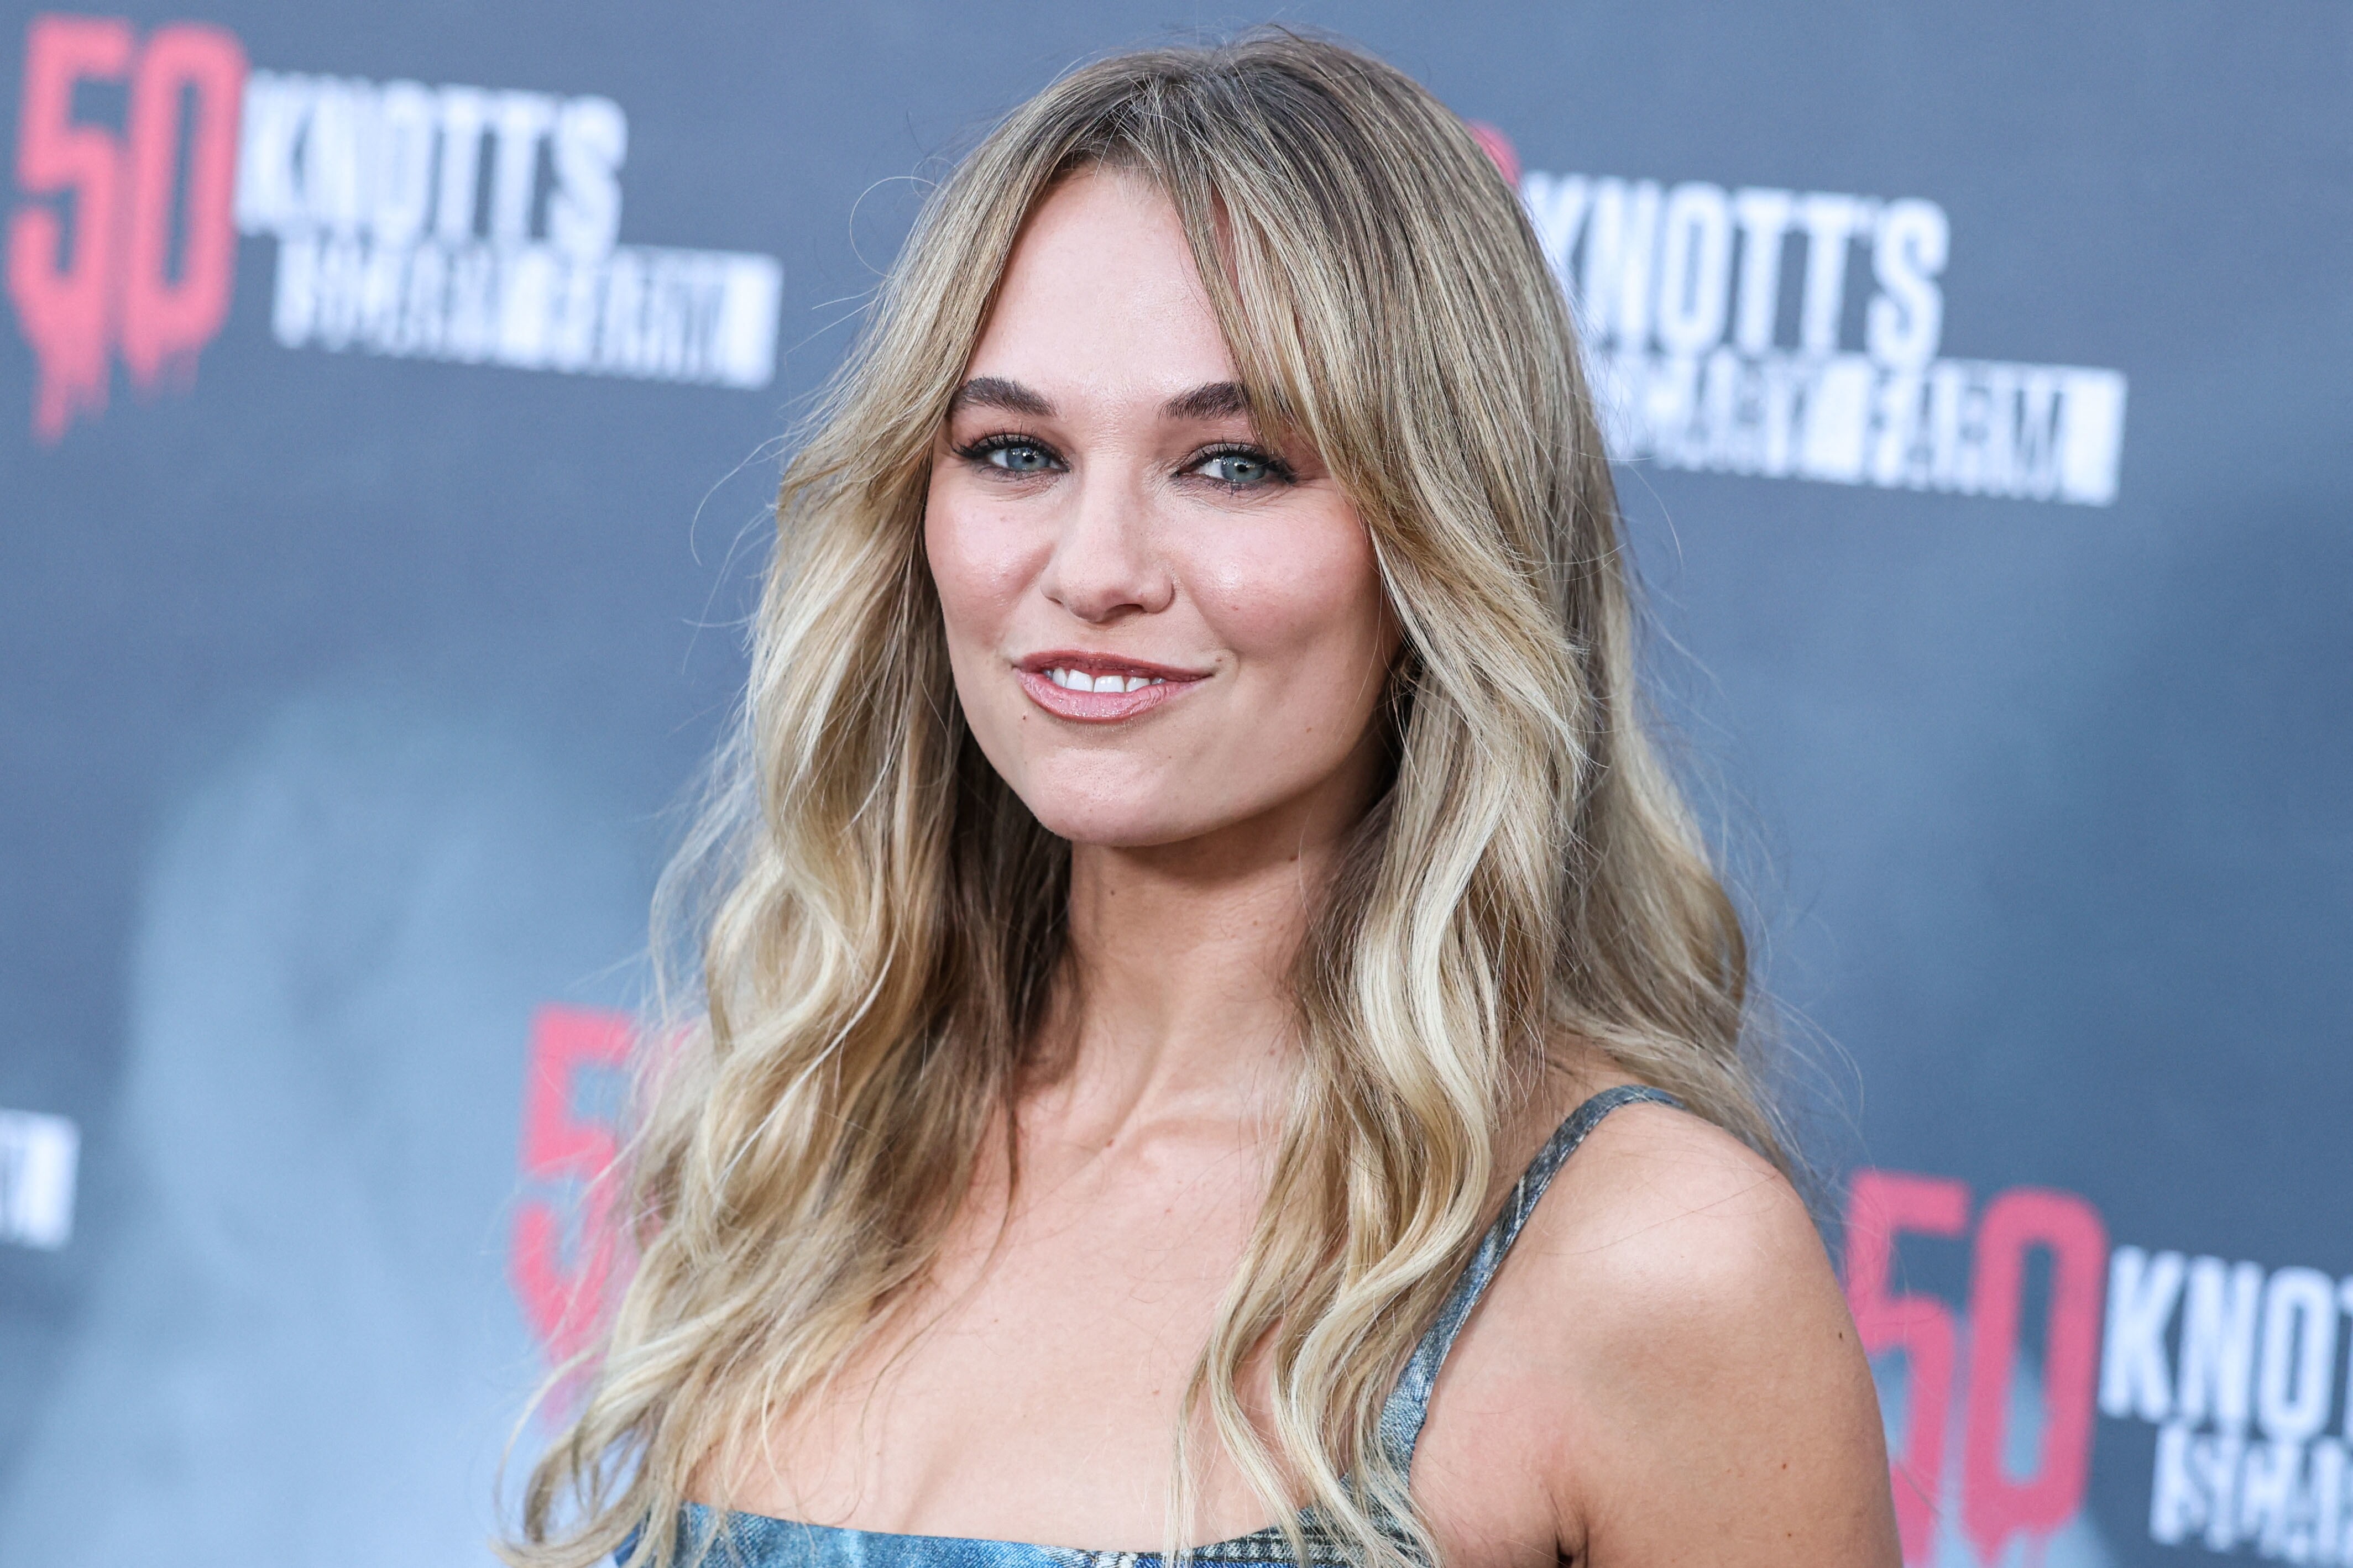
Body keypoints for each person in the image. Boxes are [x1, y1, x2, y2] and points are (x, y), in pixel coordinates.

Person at [509, 29, 1900, 1568]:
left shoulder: (1654, 1264)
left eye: (1232, 465)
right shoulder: (798, 1129)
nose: (1094, 568)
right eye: (1015, 451)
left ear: (1442, 543)